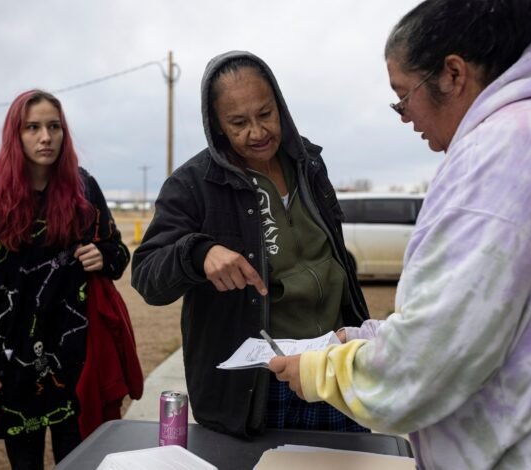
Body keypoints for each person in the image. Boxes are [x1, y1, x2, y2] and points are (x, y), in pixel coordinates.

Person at [269, 0, 531, 468]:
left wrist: (321, 369)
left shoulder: (505, 155)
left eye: (403, 95)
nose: (403, 115)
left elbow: (425, 365)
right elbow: (471, 317)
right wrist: (367, 337)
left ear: (453, 75)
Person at [131, 51, 370, 437]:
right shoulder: (192, 184)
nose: (257, 133)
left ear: (280, 105)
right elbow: (147, 276)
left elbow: (333, 253)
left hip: (334, 367)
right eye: (238, 123)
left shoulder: (309, 164)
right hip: (258, 389)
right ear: (217, 126)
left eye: (265, 114)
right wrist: (199, 253)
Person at [0, 89, 131, 469]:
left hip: (75, 362)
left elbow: (116, 253)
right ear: (15, 135)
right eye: (32, 127)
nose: (45, 137)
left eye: (54, 126)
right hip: (13, 363)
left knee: (80, 461)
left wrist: (102, 256)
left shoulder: (83, 189)